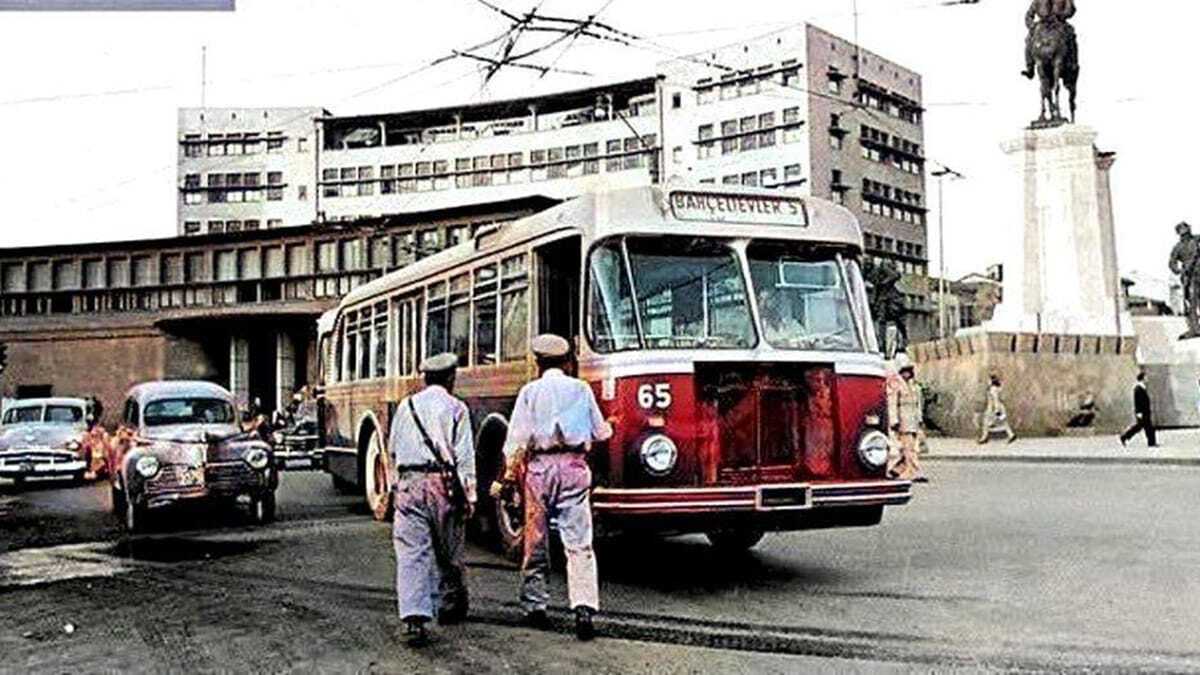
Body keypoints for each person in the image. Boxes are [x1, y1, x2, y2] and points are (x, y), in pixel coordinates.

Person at [492, 334, 612, 641]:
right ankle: (584, 607)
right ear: (568, 361)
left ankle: (535, 605)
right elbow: (600, 432)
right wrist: (612, 423)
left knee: (536, 539)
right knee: (579, 541)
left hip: (540, 469)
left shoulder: (530, 392)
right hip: (574, 467)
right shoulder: (581, 389)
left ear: (538, 362)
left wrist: (507, 476)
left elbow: (516, 440)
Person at [388, 352, 476, 647]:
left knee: (412, 553)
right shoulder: (457, 408)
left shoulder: (406, 406)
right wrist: (470, 496)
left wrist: (393, 488)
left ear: (425, 378)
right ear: (451, 378)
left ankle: (414, 619)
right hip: (443, 483)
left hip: (409, 483)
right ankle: (451, 603)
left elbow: (393, 450)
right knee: (449, 547)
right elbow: (464, 457)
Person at [886, 354, 927, 483]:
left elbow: (918, 405)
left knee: (909, 448)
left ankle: (896, 469)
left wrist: (920, 420)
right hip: (903, 421)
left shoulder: (915, 386)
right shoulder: (896, 385)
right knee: (909, 449)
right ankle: (913, 471)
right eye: (904, 372)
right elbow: (892, 403)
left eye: (908, 372)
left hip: (913, 420)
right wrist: (894, 420)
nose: (907, 374)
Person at [1022, 0, 1077, 79]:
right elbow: (1029, 15)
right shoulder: (1038, 1)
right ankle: (1030, 67)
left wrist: (1061, 15)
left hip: (1059, 24)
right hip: (1042, 26)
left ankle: (1072, 63)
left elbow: (1071, 11)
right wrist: (1032, 26)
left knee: (1071, 36)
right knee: (1029, 40)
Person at [1119, 372, 1157, 448]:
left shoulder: (1142, 387)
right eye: (1146, 377)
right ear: (1142, 378)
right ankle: (1124, 436)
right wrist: (1139, 412)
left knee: (1144, 427)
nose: (1147, 379)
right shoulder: (1138, 389)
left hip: (1145, 411)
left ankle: (1151, 442)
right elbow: (1137, 401)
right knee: (1144, 427)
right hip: (1142, 412)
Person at [978, 375, 1017, 444]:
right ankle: (1011, 435)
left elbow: (995, 399)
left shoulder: (993, 389)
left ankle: (984, 438)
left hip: (993, 409)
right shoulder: (996, 388)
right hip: (997, 407)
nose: (988, 381)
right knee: (1003, 421)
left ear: (992, 381)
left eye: (989, 380)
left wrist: (996, 410)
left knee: (986, 422)